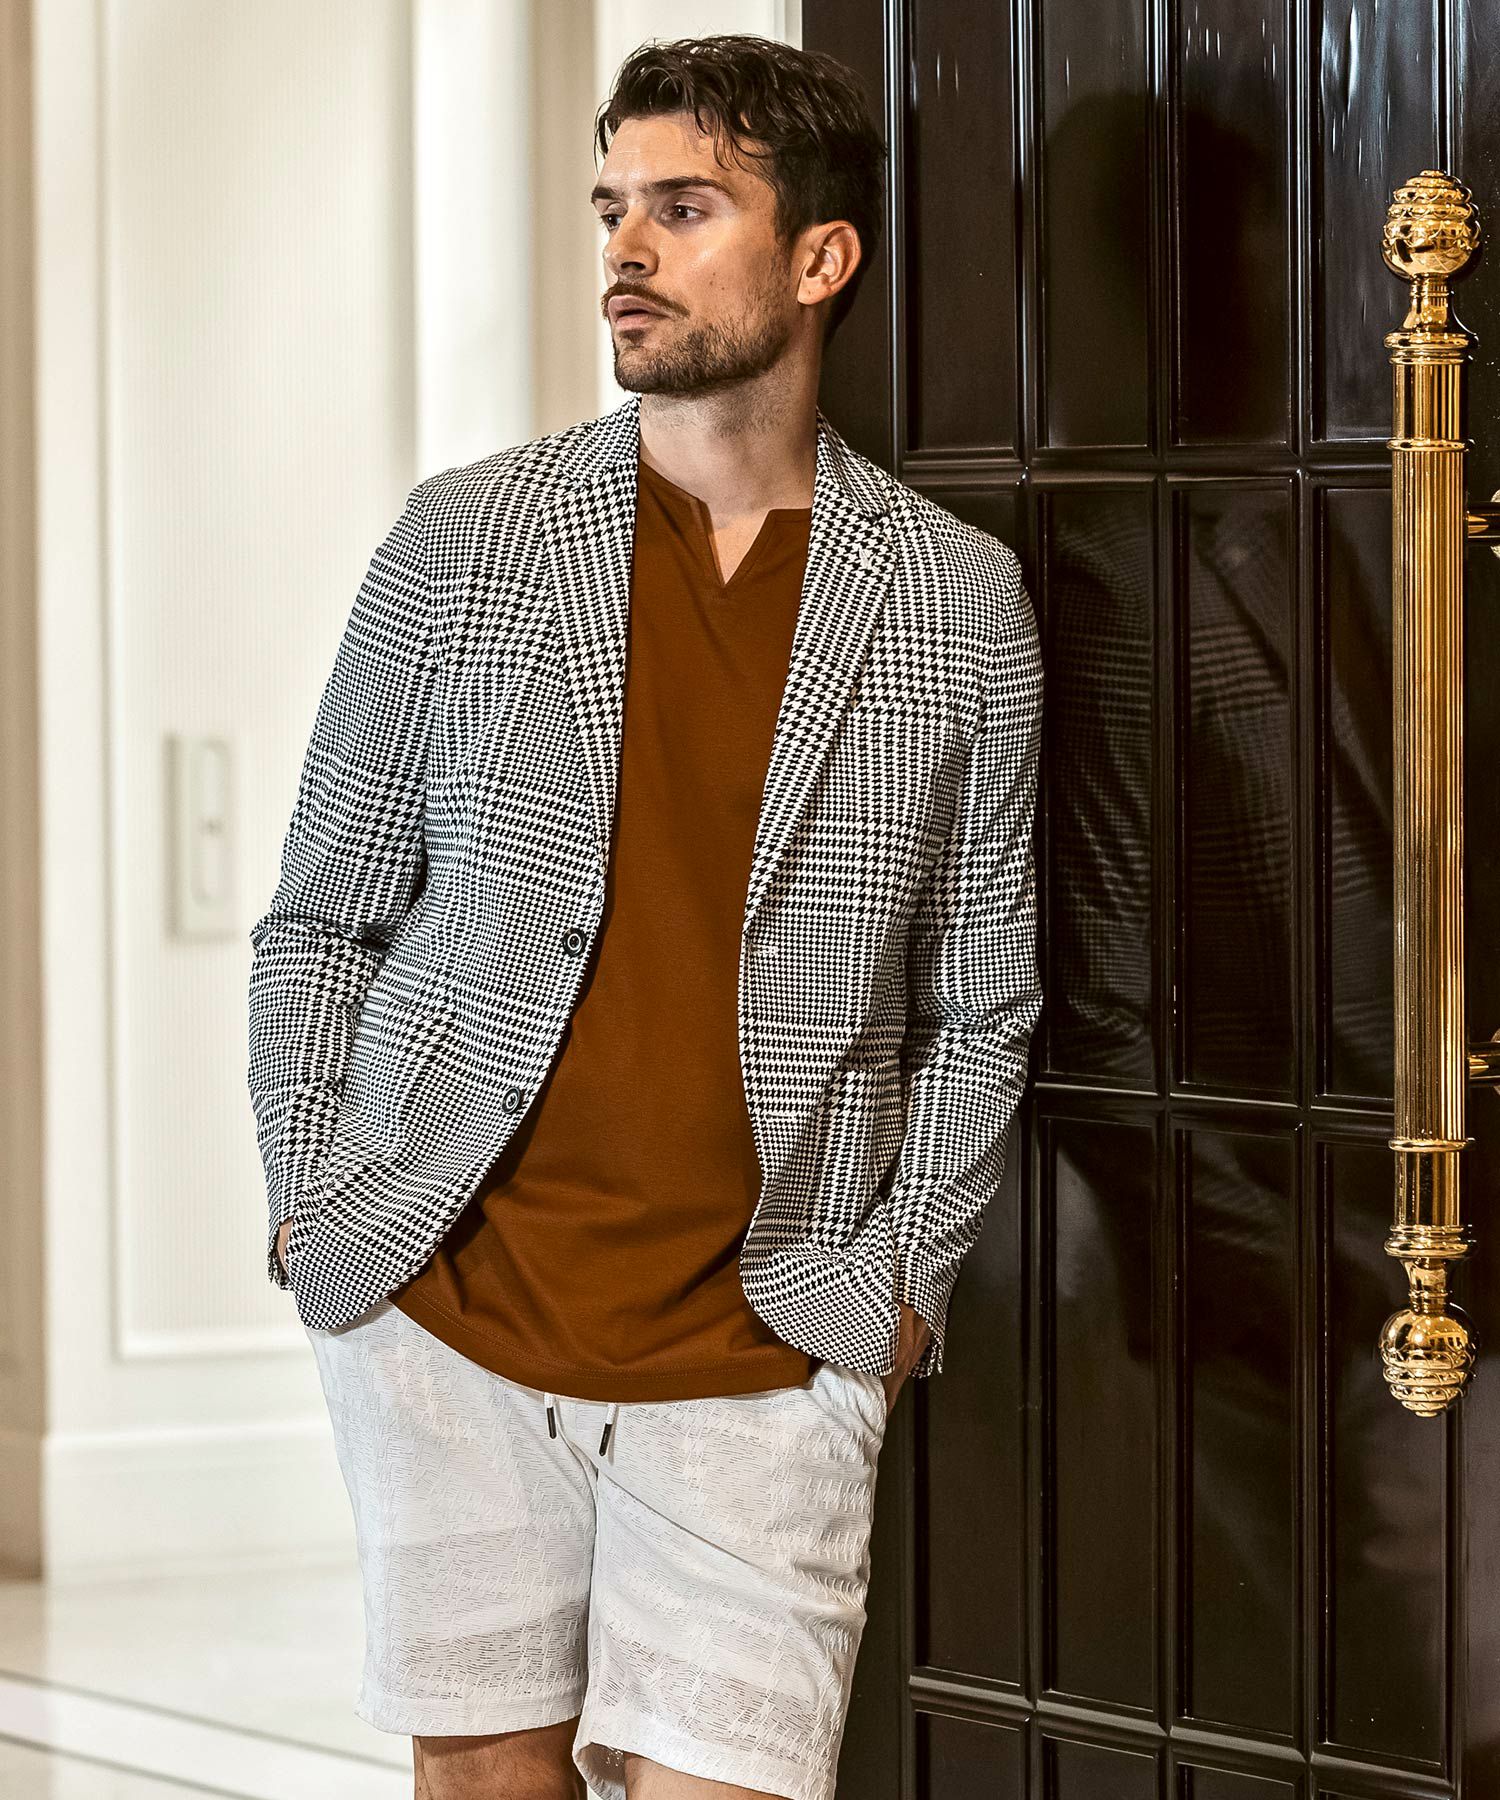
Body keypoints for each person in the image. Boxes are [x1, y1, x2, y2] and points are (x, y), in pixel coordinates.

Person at [246, 32, 1042, 1800]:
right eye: (613, 206)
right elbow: (320, 916)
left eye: (685, 209)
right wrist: (315, 1198)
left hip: (769, 1337)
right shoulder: (465, 540)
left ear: (818, 256)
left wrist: (896, 1291)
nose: (627, 247)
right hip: (448, 1303)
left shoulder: (955, 601)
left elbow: (983, 1001)